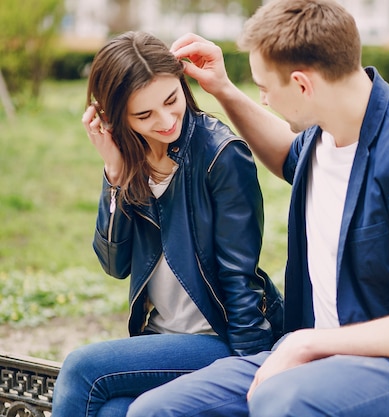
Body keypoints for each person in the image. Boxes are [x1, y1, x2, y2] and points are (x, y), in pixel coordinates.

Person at [127, 0, 389, 415]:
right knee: (156, 411)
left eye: (264, 88)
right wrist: (223, 89)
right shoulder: (326, 135)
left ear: (302, 85)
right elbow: (288, 154)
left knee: (282, 401)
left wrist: (308, 342)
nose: (263, 99)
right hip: (313, 359)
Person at [51, 31, 283, 417]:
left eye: (172, 100)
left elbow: (238, 278)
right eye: (144, 115)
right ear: (112, 117)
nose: (165, 120)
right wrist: (114, 175)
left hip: (220, 338)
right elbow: (115, 264)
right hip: (161, 337)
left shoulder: (220, 156)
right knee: (114, 412)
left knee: (82, 370)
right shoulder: (130, 162)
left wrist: (249, 374)